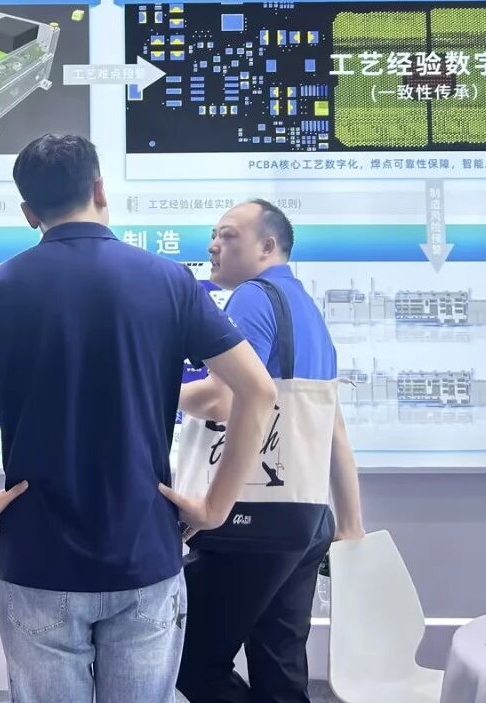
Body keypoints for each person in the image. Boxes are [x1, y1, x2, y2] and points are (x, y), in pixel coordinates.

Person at [0, 134, 277, 703]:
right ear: (99, 189)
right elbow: (258, 391)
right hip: (144, 552)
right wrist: (216, 506)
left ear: (29, 213)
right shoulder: (170, 281)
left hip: (37, 558)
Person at [175, 199, 365, 703]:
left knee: (190, 661)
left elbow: (222, 398)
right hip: (306, 518)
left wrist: (152, 390)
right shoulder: (307, 309)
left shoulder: (251, 299)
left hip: (250, 519)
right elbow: (332, 427)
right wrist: (350, 522)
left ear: (267, 246)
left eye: (228, 235)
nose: (213, 246)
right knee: (280, 667)